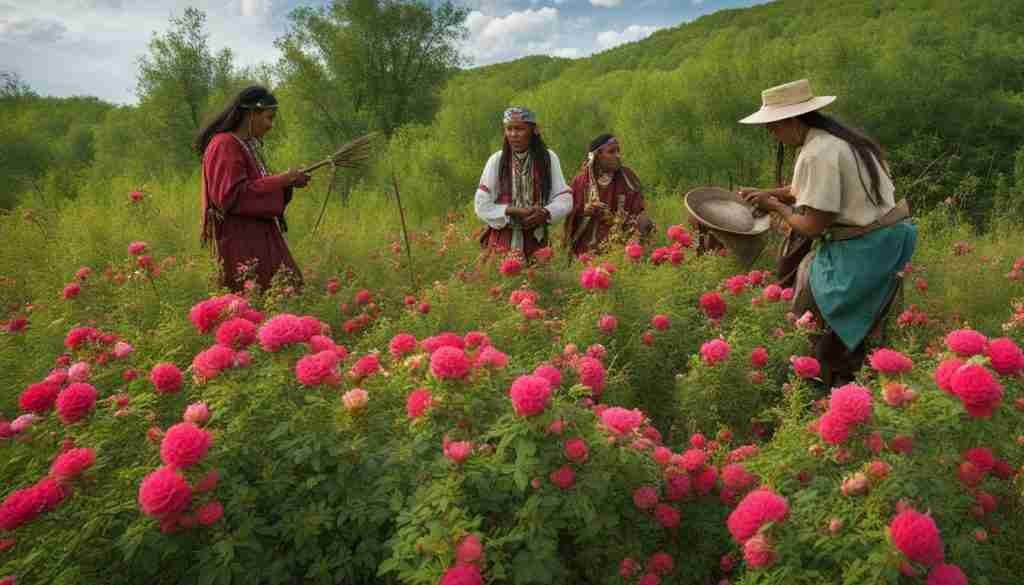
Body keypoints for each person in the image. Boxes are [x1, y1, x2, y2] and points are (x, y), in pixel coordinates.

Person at [737, 79, 917, 387]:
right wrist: (769, 193)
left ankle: (827, 381)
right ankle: (845, 370)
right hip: (886, 240)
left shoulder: (817, 153)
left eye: (773, 126)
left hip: (863, 249)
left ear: (792, 121)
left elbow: (812, 225)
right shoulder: (842, 141)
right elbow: (804, 190)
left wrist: (775, 207)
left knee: (817, 313)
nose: (772, 134)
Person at [194, 85, 310, 292]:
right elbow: (231, 196)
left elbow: (256, 188)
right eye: (269, 117)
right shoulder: (224, 144)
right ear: (250, 114)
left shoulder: (245, 145)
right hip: (241, 242)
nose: (270, 125)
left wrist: (287, 183)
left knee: (286, 292)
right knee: (255, 300)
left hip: (258, 237)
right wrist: (282, 180)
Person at [474, 107, 572, 260]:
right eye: (509, 129)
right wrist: (513, 211)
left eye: (519, 129)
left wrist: (545, 212)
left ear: (534, 130)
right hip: (502, 240)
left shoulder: (548, 158)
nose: (513, 135)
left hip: (536, 241)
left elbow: (564, 198)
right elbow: (481, 204)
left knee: (537, 281)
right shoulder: (497, 160)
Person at [564, 133, 653, 257]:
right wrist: (585, 211)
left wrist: (638, 220)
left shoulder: (628, 178)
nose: (617, 155)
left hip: (620, 246)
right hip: (586, 250)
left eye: (618, 151)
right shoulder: (581, 181)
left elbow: (638, 209)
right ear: (598, 155)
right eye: (611, 152)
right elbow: (569, 215)